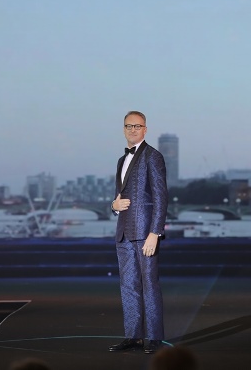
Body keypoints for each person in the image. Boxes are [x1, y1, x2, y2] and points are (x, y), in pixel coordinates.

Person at [108, 110, 168, 355]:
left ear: (145, 129)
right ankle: (133, 336)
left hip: (145, 233)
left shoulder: (153, 156)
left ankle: (154, 337)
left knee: (149, 284)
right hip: (123, 232)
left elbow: (161, 197)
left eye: (137, 126)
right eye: (128, 126)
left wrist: (155, 232)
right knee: (128, 285)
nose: (132, 130)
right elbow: (119, 198)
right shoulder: (121, 161)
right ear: (124, 129)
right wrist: (114, 206)